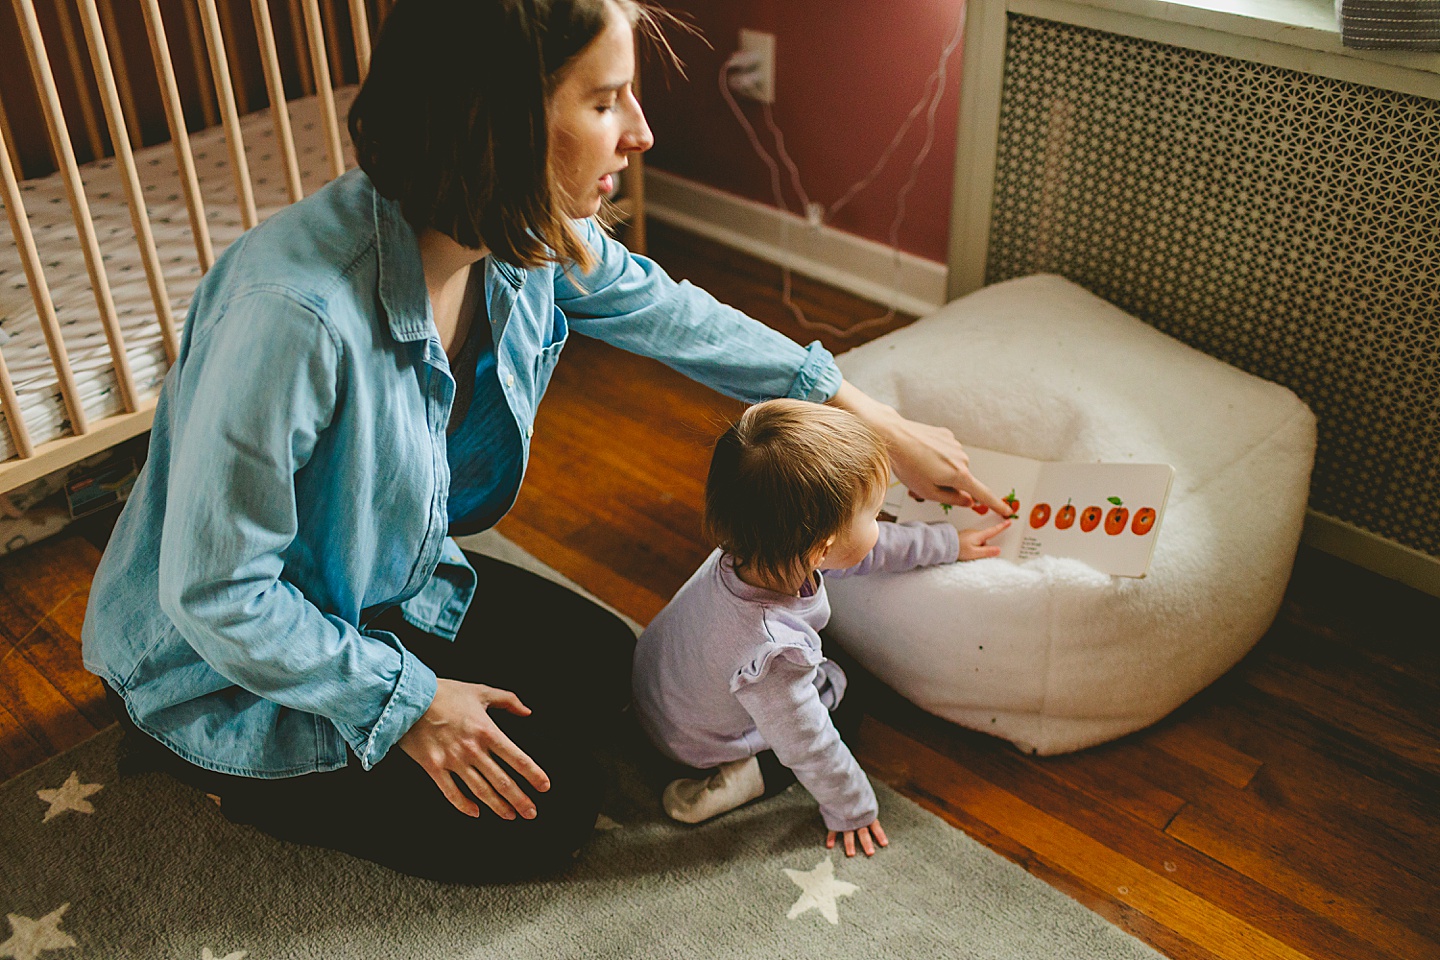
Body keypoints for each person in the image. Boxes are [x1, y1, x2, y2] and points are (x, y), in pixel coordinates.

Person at [81, 0, 1011, 884]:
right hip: (224, 655)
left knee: (611, 672)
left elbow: (672, 312)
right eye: (606, 103)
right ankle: (210, 761)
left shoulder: (519, 236)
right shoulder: (293, 317)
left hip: (377, 584)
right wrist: (407, 705)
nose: (641, 132)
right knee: (553, 815)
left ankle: (387, 691)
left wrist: (874, 419)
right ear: (502, 121)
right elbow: (217, 591)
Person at [631, 400, 1012, 857]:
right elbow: (809, 745)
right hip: (695, 745)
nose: (880, 523)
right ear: (821, 550)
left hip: (655, 694)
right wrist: (853, 808)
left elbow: (861, 551)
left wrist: (947, 543)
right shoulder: (772, 652)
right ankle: (735, 780)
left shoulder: (753, 547)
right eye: (872, 515)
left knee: (824, 672)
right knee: (846, 709)